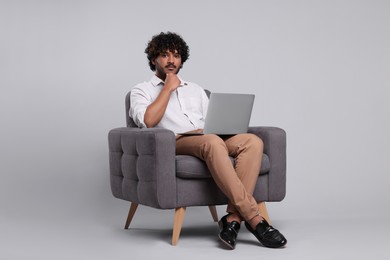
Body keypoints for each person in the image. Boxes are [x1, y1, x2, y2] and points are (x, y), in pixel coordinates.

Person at [130, 32, 287, 249]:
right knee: (212, 142)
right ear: (153, 59)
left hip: (207, 135)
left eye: (176, 55)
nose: (171, 61)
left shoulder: (195, 90)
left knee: (253, 142)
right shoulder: (141, 90)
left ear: (182, 59)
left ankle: (232, 220)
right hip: (176, 142)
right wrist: (167, 88)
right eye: (164, 55)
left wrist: (215, 129)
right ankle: (255, 219)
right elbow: (148, 121)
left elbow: (212, 121)